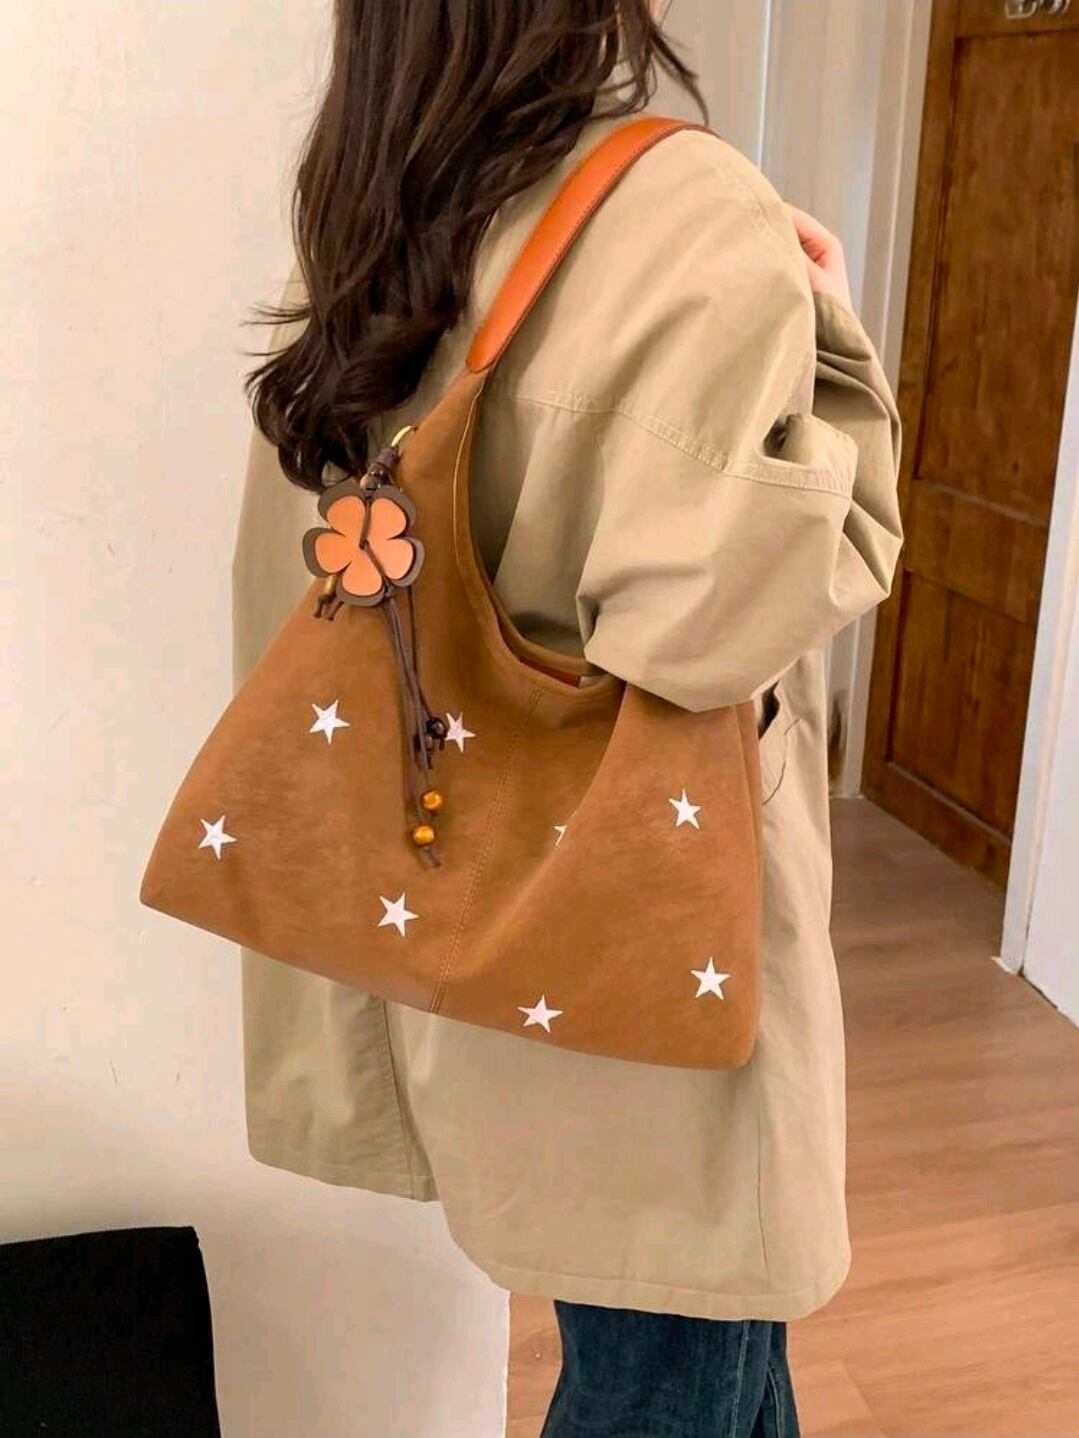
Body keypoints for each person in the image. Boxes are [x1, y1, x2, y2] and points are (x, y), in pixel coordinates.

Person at [234, 3, 902, 1435]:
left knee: (698, 1351)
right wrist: (834, 349)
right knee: (673, 1364)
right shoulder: (686, 209)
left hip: (448, 900)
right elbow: (715, 621)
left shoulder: (370, 200)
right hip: (649, 940)